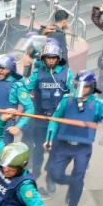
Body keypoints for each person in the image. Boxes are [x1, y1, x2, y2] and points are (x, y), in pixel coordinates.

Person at [45, 70, 103, 206]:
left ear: (92, 87)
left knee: (78, 178)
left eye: (85, 86)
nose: (81, 89)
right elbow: (54, 119)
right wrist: (49, 138)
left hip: (82, 149)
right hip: (64, 145)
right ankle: (74, 185)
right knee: (55, 174)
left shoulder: (98, 105)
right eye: (78, 85)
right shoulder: (67, 101)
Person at [24, 40, 73, 191]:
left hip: (58, 121)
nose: (50, 60)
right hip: (41, 118)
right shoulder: (37, 73)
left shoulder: (67, 73)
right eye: (47, 58)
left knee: (55, 150)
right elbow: (25, 88)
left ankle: (50, 178)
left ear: (58, 58)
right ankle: (34, 174)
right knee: (38, 149)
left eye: (53, 58)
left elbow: (74, 93)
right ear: (43, 59)